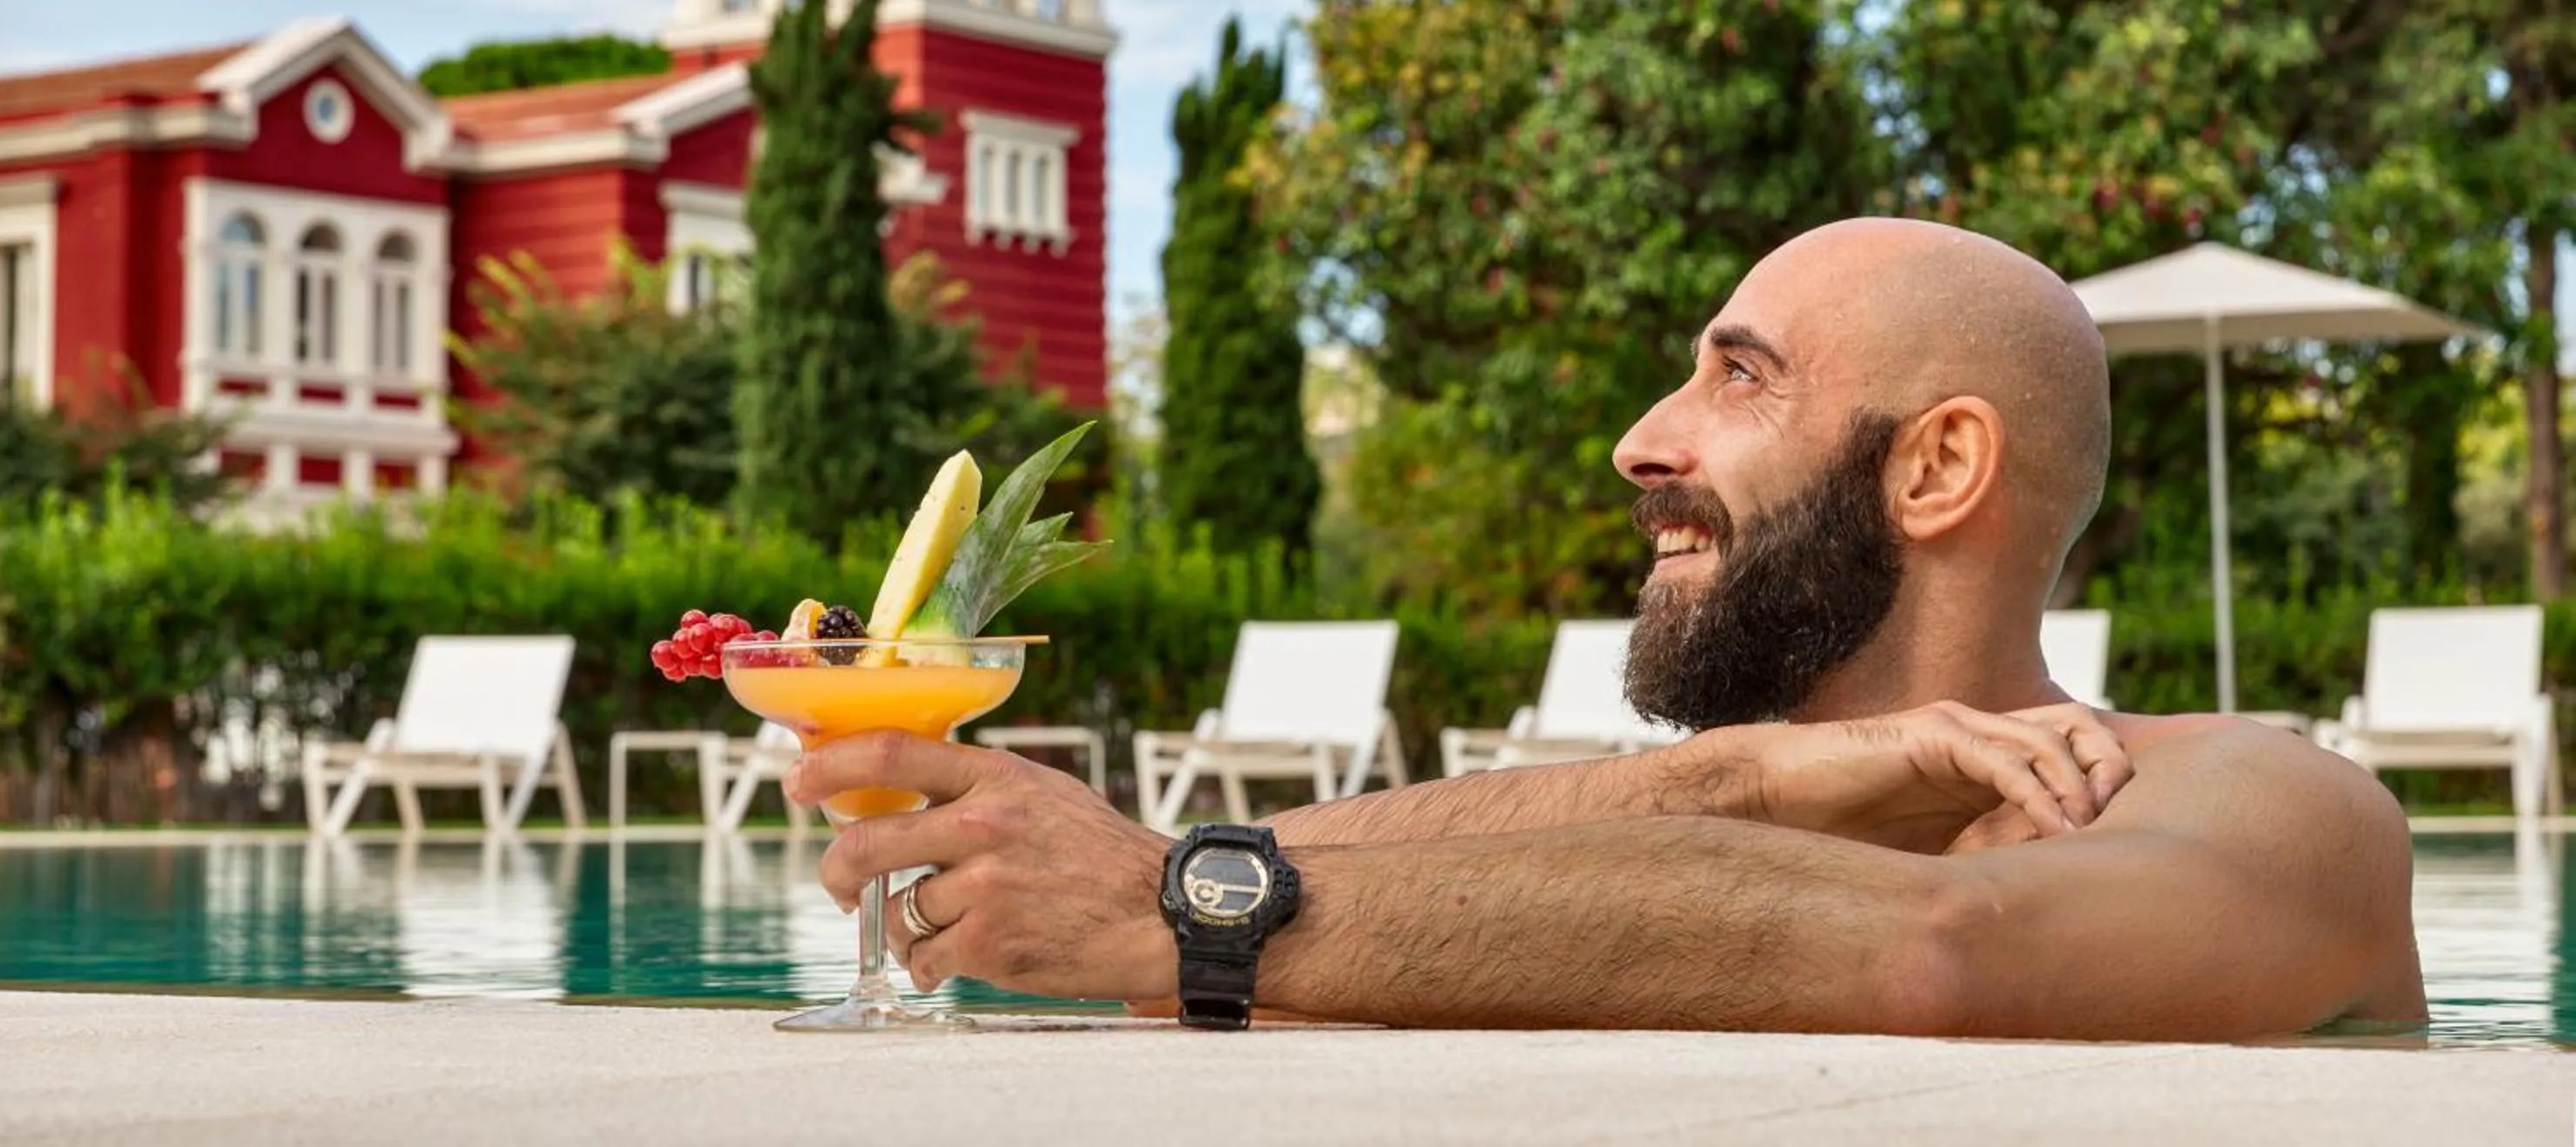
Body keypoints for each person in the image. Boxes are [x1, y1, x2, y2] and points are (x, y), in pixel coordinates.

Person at [787, 219, 2425, 1040]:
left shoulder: (2273, 798)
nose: (1645, 438)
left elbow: (1944, 946)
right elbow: (1185, 952)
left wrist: (1198, 905)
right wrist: (1750, 779)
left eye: (1741, 375)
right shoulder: (1696, 814)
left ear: (1938, 467)